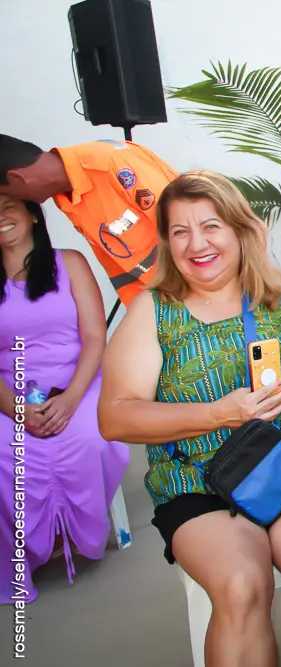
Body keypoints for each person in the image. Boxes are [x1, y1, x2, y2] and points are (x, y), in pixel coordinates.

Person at [97, 171, 281, 667]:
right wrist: (217, 414)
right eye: (180, 231)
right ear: (166, 242)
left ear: (239, 229)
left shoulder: (278, 296)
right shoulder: (155, 311)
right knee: (241, 584)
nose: (197, 244)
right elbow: (115, 417)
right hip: (196, 482)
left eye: (211, 226)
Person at [0, 194, 129, 605]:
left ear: (32, 215)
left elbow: (94, 337)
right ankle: (28, 551)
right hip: (9, 391)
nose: (0, 216)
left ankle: (77, 533)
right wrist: (17, 410)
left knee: (92, 438)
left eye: (7, 204)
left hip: (80, 380)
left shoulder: (69, 262)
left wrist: (72, 398)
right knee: (5, 453)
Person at [0, 134, 179, 307]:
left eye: (5, 194)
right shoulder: (65, 196)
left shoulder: (112, 162)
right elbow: (120, 267)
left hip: (191, 294)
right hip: (168, 306)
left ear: (16, 178)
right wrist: (150, 316)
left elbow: (187, 227)